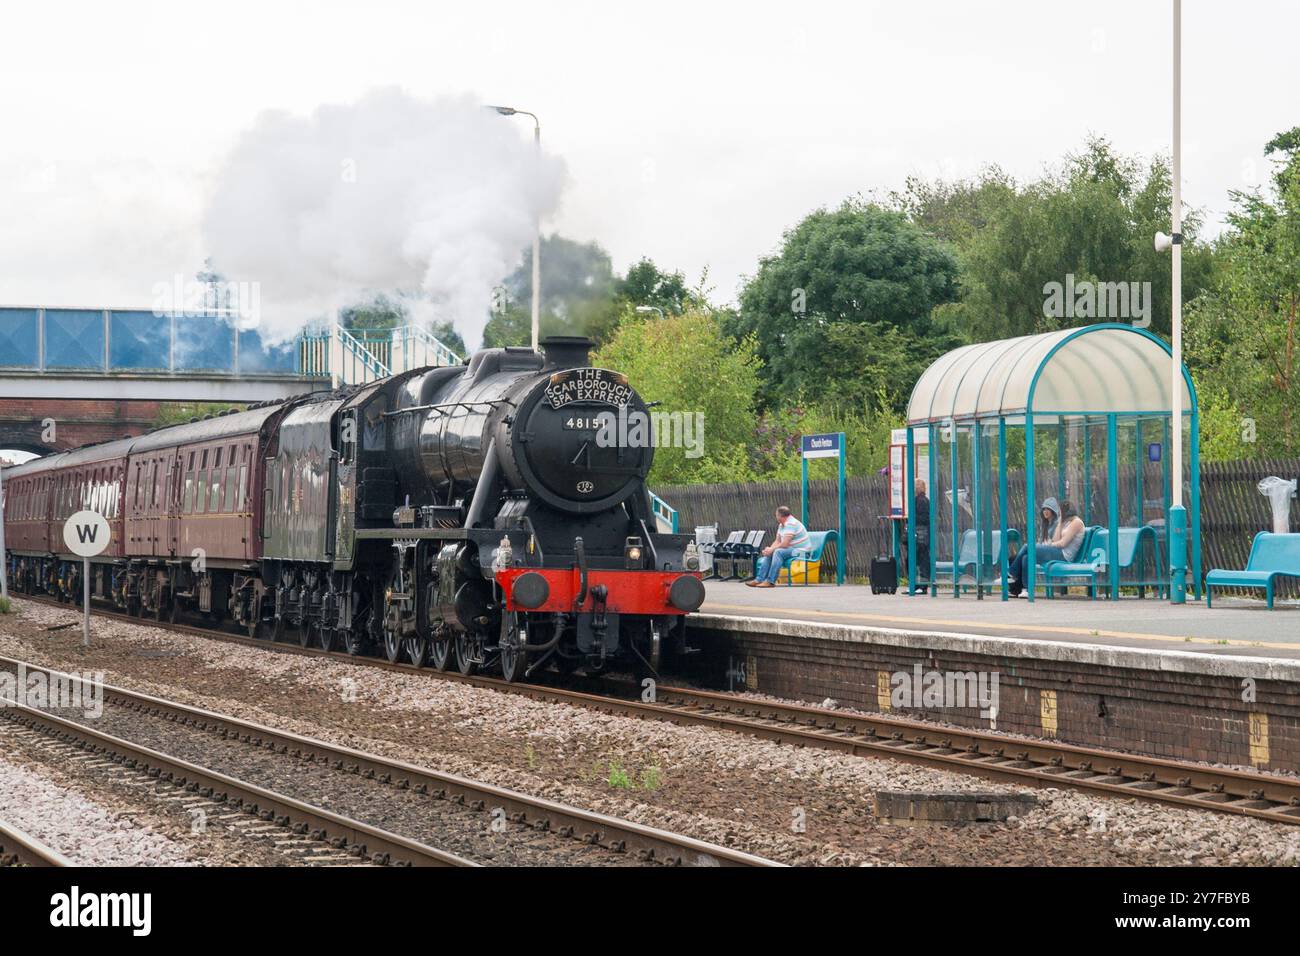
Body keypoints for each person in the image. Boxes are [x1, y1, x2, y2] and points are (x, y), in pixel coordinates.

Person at [1006, 497, 1084, 597]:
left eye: (1060, 512)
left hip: (1064, 556)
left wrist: (1049, 545)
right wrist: (1060, 523)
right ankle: (1027, 590)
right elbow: (1056, 540)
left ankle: (1011, 574)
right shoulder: (1065, 523)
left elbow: (1063, 543)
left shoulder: (1076, 522)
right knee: (1027, 557)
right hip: (1057, 552)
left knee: (1027, 546)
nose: (1059, 515)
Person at [746, 506, 811, 588]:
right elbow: (777, 541)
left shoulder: (791, 524)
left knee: (777, 552)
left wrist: (772, 549)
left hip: (802, 551)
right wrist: (769, 549)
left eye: (776, 515)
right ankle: (759, 579)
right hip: (792, 550)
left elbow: (785, 544)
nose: (776, 517)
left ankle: (770, 581)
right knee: (772, 551)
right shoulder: (782, 525)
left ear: (780, 516)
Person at [912, 479, 930, 584]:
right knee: (921, 558)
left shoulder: (920, 501)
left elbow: (924, 518)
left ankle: (921, 584)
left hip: (921, 533)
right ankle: (919, 583)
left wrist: (912, 518)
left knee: (921, 558)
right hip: (922, 533)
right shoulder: (923, 500)